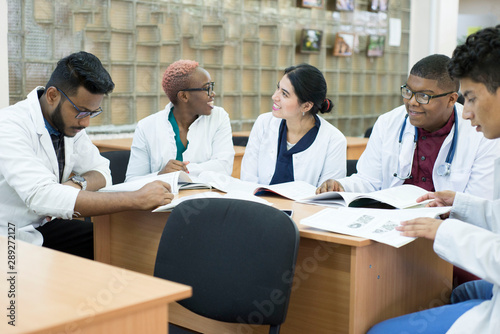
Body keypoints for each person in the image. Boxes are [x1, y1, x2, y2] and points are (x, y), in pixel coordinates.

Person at [368, 25, 500, 334]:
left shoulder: (486, 141)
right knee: (452, 295)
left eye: (470, 98)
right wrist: (463, 204)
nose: (465, 113)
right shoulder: (390, 123)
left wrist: (444, 231)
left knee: (379, 332)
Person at [0, 51, 173, 259]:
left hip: (44, 226)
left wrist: (77, 184)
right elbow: (41, 196)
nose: (86, 123)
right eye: (81, 112)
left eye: (92, 113)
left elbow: (102, 171)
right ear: (52, 95)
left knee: (114, 246)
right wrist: (135, 199)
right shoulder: (9, 126)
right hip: (10, 235)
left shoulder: (68, 124)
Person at [317, 54, 500, 201]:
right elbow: (368, 180)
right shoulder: (388, 123)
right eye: (408, 92)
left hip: (446, 229)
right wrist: (342, 186)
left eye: (423, 96)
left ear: (451, 99)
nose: (412, 102)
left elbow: (479, 202)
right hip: (391, 222)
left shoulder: (481, 132)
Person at [125, 60, 234, 181]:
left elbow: (224, 166)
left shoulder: (219, 117)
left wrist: (183, 171)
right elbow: (131, 180)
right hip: (164, 199)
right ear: (184, 96)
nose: (212, 94)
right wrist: (160, 175)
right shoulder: (146, 127)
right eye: (206, 88)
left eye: (211, 87)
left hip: (206, 197)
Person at [240, 63, 346, 187]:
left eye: (284, 94)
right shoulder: (263, 123)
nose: (274, 96)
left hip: (306, 207)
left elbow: (327, 194)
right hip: (259, 205)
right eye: (277, 88)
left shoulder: (334, 140)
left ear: (306, 106)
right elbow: (248, 181)